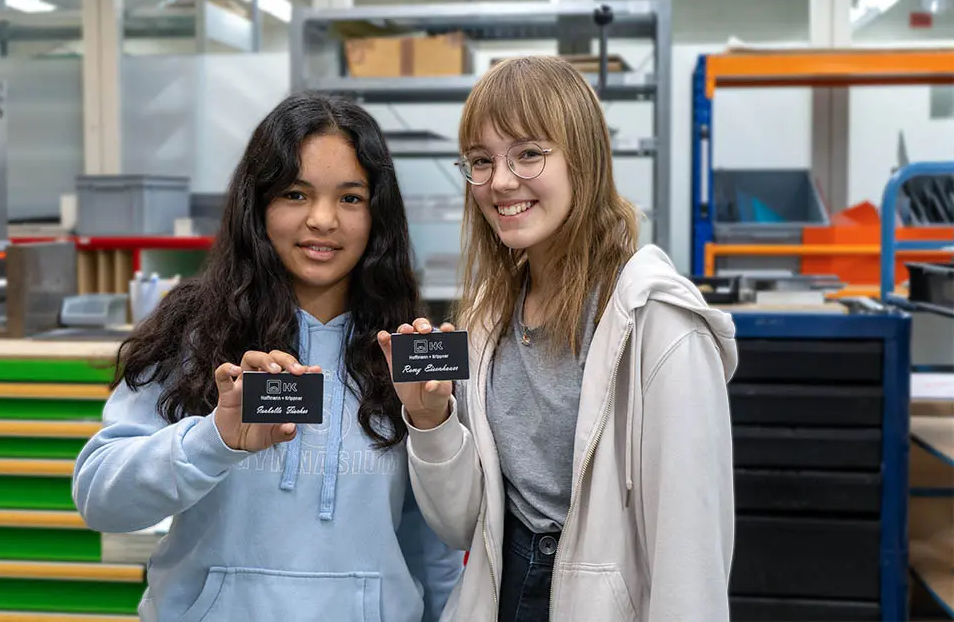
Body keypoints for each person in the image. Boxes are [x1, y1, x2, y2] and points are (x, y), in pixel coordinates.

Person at [73, 92, 464, 622]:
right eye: (295, 194)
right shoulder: (193, 331)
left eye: (350, 198)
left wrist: (432, 422)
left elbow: (436, 542)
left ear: (379, 215)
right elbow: (101, 500)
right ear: (257, 205)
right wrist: (215, 438)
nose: (322, 219)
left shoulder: (410, 352)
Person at [378, 56, 737, 622]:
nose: (500, 181)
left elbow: (690, 561)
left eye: (528, 154)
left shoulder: (658, 323)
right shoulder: (488, 316)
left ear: (582, 159)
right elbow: (462, 526)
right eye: (481, 161)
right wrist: (431, 419)